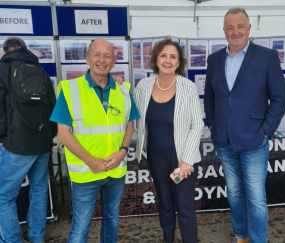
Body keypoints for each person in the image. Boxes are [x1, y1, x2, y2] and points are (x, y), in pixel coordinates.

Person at [204, 8, 285, 243]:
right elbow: (210, 97)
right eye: (230, 27)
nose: (235, 31)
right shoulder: (215, 59)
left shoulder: (267, 57)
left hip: (254, 139)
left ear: (249, 28)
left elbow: (280, 98)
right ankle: (241, 236)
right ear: (224, 31)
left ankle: (259, 239)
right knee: (234, 194)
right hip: (224, 141)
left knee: (256, 197)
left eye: (240, 26)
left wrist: (265, 131)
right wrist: (212, 124)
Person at [50, 39, 139, 242]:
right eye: (97, 55)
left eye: (107, 56)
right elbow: (63, 133)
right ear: (87, 59)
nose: (102, 60)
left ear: (114, 61)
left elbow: (129, 124)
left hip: (116, 169)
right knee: (81, 227)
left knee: (112, 219)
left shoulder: (123, 89)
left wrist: (123, 152)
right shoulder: (70, 89)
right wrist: (92, 162)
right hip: (85, 172)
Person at [133, 38, 203, 243]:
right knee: (164, 204)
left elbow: (197, 125)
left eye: (173, 56)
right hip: (155, 157)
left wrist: (186, 160)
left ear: (179, 62)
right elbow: (132, 110)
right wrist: (119, 87)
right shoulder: (144, 86)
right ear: (156, 58)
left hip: (182, 159)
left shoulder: (188, 87)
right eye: (163, 55)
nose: (167, 60)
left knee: (185, 207)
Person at [0, 37, 57, 243]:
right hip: (42, 142)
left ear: (5, 51)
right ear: (25, 49)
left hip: (16, 144)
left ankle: (11, 240)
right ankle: (36, 237)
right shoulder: (40, 70)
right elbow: (52, 107)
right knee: (40, 191)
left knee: (4, 197)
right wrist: (49, 137)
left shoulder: (2, 69)